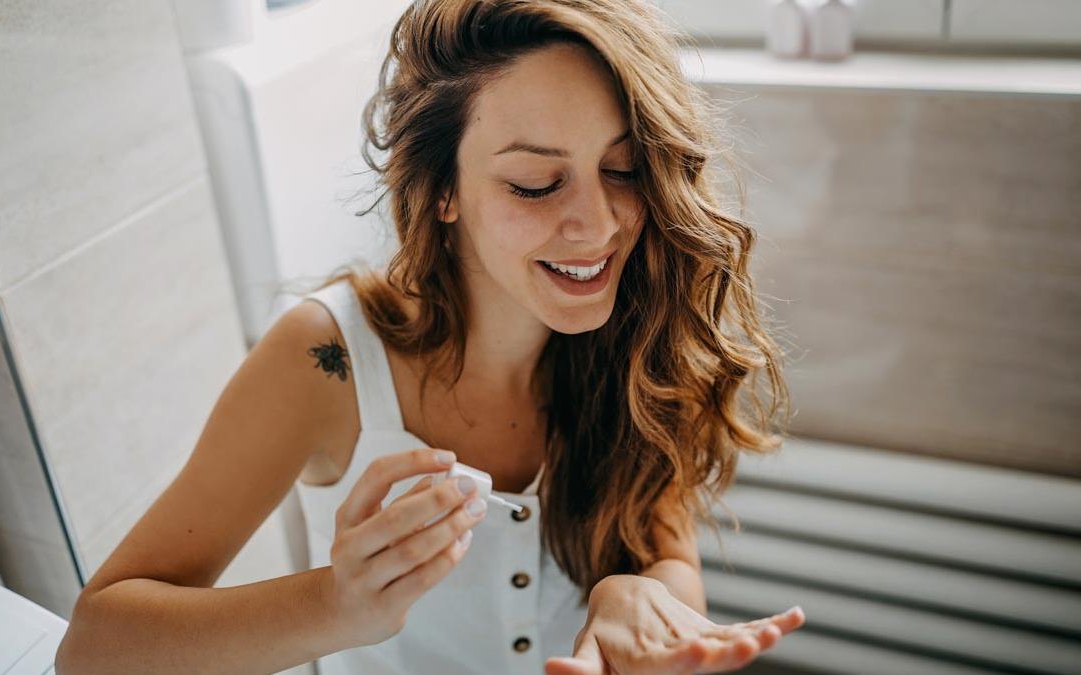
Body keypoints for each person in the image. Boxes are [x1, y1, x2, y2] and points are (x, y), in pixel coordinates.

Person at [55, 1, 805, 673]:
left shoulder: (640, 329)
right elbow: (92, 648)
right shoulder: (326, 360)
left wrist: (637, 598)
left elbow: (666, 548)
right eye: (537, 184)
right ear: (442, 189)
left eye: (624, 168)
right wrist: (333, 606)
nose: (602, 224)